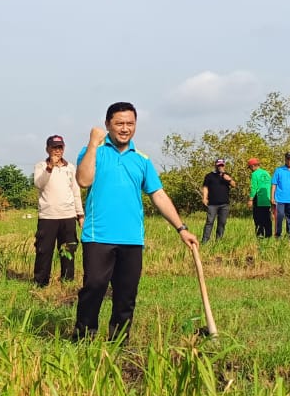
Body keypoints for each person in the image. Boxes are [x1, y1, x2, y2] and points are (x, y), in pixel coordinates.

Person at [74, 102, 198, 342]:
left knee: (126, 294)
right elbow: (83, 180)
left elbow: (158, 195)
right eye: (119, 123)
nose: (124, 128)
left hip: (131, 238)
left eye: (130, 123)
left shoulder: (142, 159)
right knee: (94, 287)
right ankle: (83, 339)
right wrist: (92, 142)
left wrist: (181, 228)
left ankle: (119, 342)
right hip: (98, 236)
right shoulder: (93, 151)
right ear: (107, 124)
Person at [32, 134, 84, 286]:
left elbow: (76, 192)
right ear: (47, 149)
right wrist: (50, 167)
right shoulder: (41, 166)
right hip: (48, 216)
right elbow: (39, 184)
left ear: (64, 149)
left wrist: (80, 214)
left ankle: (67, 281)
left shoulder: (70, 168)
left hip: (68, 216)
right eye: (54, 147)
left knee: (68, 250)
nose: (57, 151)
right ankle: (41, 283)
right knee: (44, 251)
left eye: (60, 147)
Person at [200, 159, 233, 242]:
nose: (220, 167)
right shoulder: (209, 176)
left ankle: (219, 241)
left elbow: (234, 185)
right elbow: (205, 187)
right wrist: (204, 198)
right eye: (219, 165)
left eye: (222, 165)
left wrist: (229, 179)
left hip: (224, 204)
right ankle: (205, 241)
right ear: (215, 165)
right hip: (212, 204)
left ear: (224, 166)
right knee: (209, 222)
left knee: (222, 223)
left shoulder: (227, 175)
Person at [247, 158, 272, 238]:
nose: (250, 169)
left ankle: (260, 234)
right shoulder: (266, 173)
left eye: (250, 167)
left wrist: (250, 199)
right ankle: (268, 235)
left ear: (253, 166)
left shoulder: (254, 174)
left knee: (258, 217)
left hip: (259, 198)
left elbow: (254, 187)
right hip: (267, 198)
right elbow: (271, 186)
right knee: (267, 218)